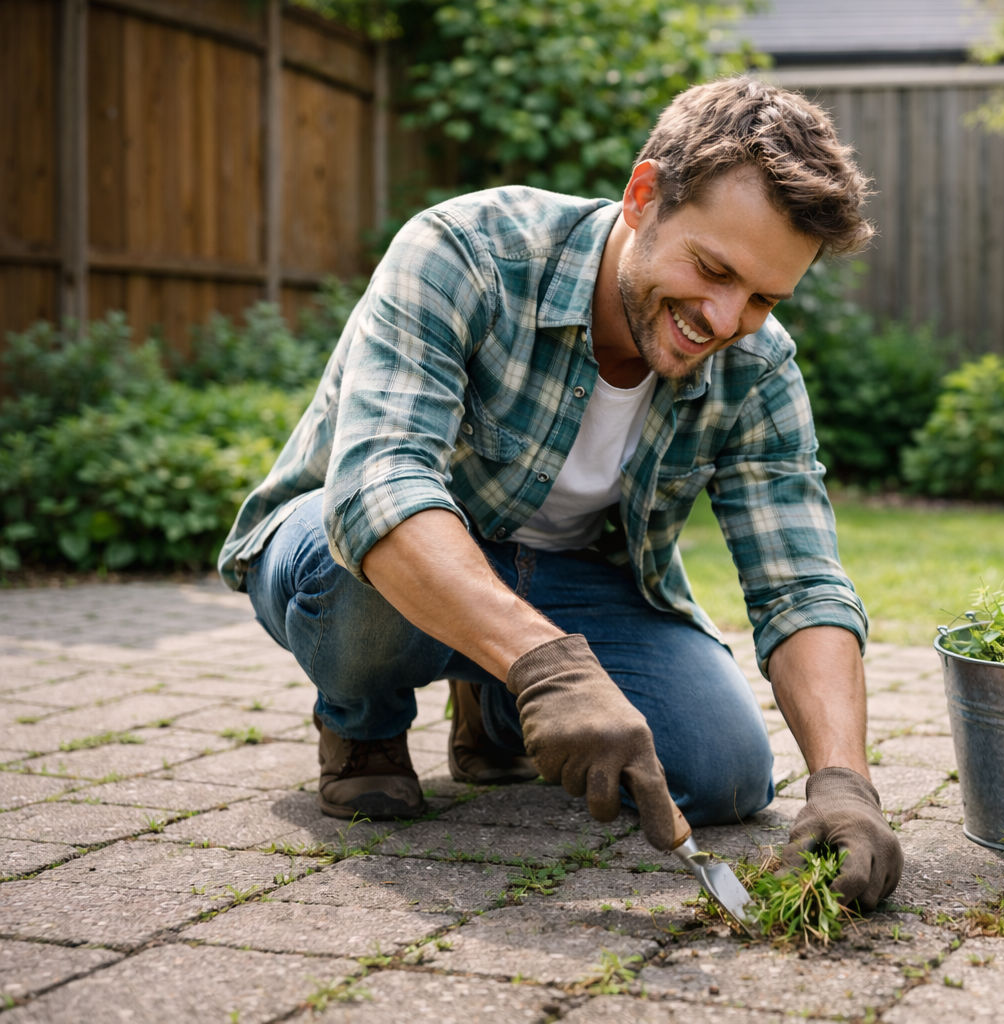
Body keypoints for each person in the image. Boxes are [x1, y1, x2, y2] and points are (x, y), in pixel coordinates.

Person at [217, 76, 902, 909]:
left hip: (568, 575)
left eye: (761, 297)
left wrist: (844, 780)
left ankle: (497, 708)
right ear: (644, 196)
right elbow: (379, 488)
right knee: (372, 582)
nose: (725, 319)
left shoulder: (757, 367)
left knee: (725, 771)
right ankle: (363, 726)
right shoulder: (465, 250)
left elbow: (800, 583)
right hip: (348, 549)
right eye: (713, 268)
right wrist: (547, 668)